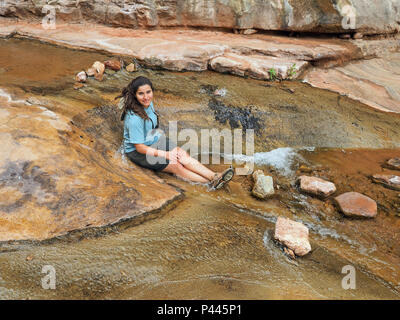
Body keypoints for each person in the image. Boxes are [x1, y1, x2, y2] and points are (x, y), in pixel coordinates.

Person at [116, 76, 234, 190]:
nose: (146, 97)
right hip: (137, 151)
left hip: (154, 140)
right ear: (135, 95)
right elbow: (139, 148)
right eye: (141, 93)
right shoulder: (134, 119)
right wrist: (165, 154)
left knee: (181, 154)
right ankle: (210, 183)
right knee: (175, 165)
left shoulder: (148, 103)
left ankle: (214, 176)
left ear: (152, 91)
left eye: (148, 92)